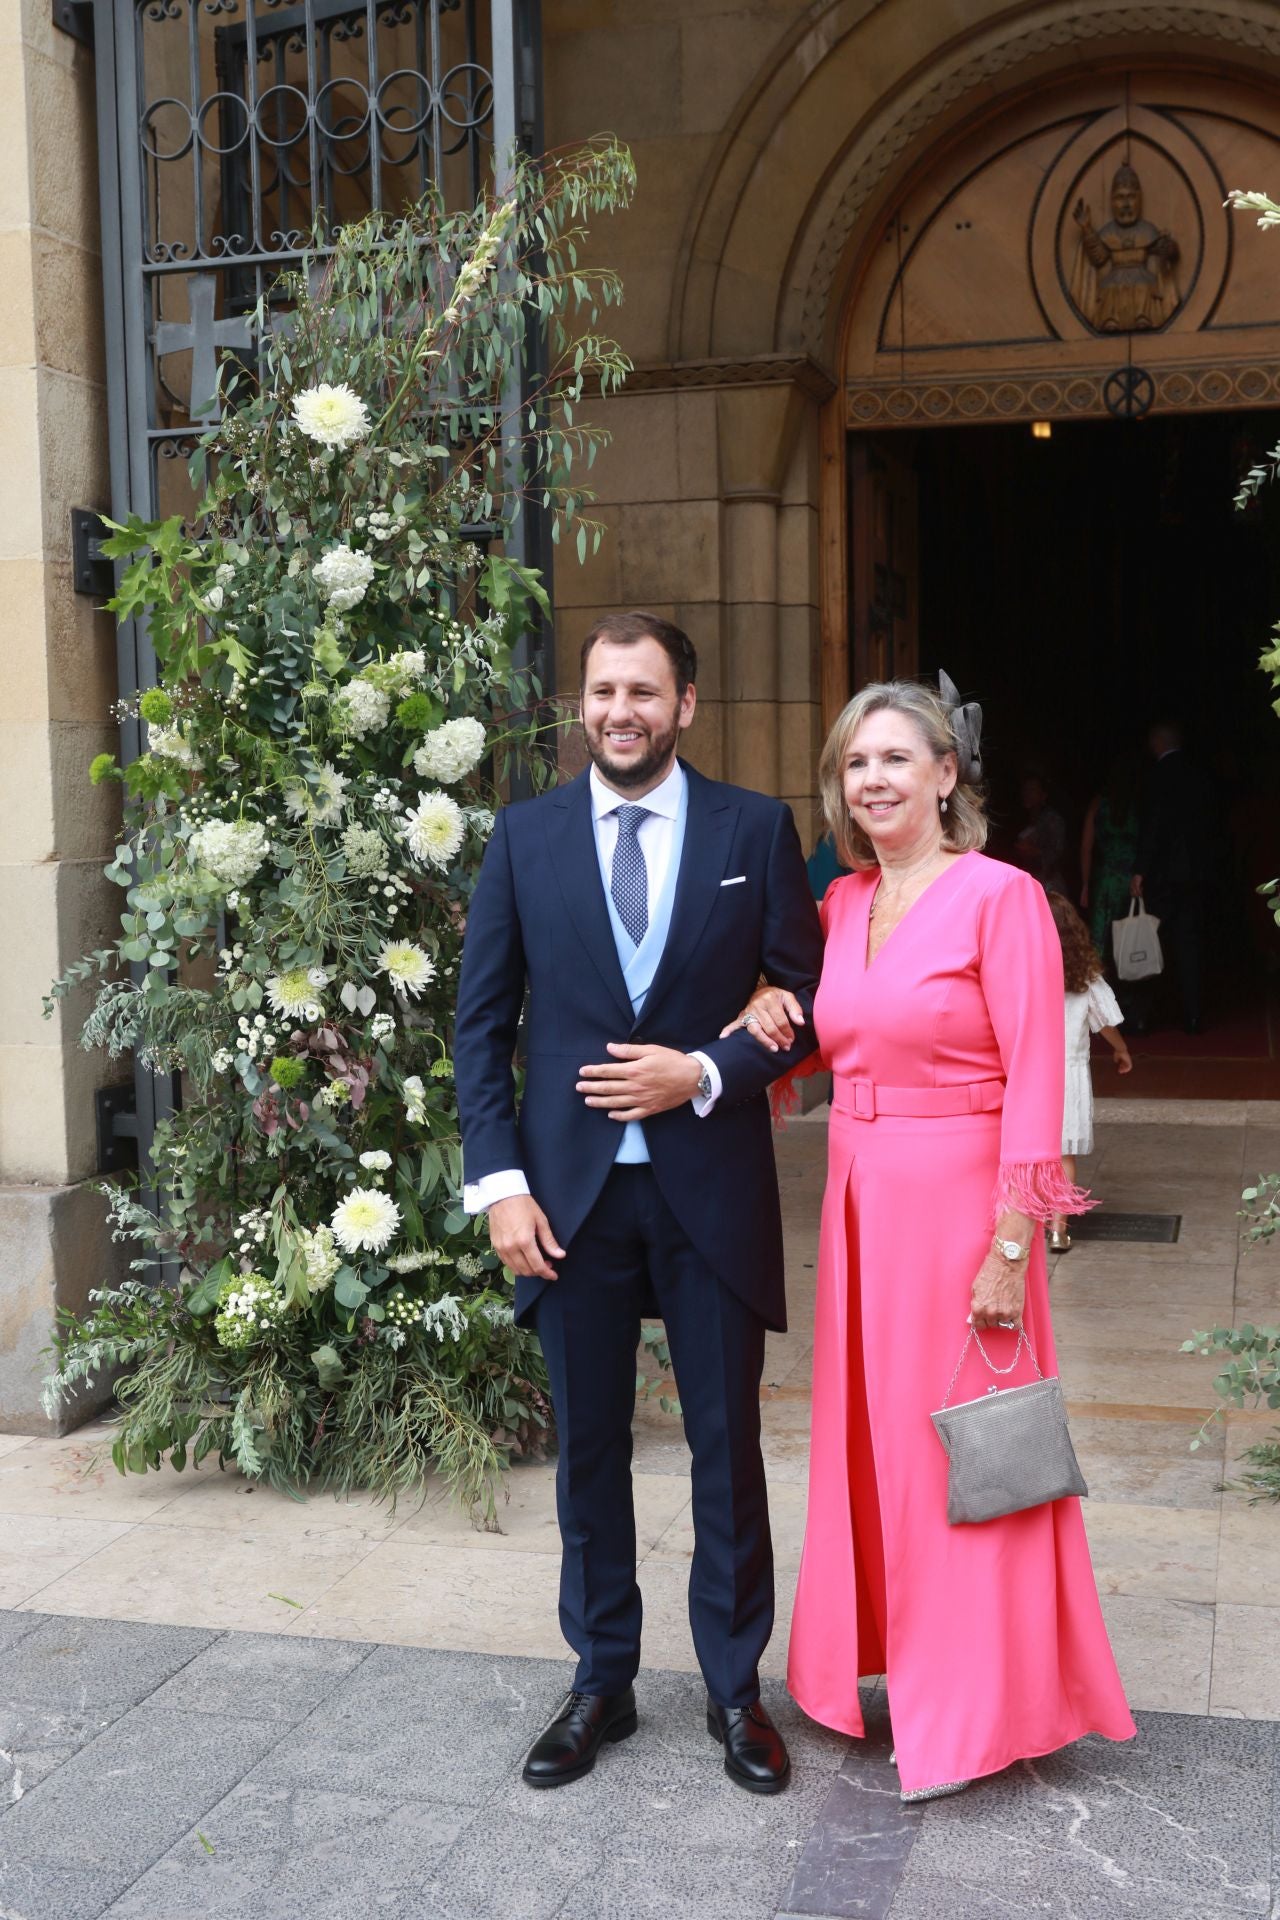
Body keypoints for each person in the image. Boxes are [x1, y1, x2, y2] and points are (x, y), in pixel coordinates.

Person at [727, 676, 1135, 1802]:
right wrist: (769, 1018)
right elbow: (827, 1038)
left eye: (896, 760)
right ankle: (889, 1667)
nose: (873, 781)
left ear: (946, 774)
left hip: (961, 1210)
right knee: (873, 1447)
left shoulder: (999, 897)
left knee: (959, 1449)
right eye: (855, 765)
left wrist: (1011, 1240)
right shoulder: (840, 908)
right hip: (859, 1205)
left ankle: (975, 1701)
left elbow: (1032, 1083)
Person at [453, 611, 823, 1795]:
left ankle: (732, 1689)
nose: (620, 711)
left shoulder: (752, 829)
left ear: (686, 705)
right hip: (564, 1203)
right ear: (582, 703)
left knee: (727, 1451)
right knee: (588, 1453)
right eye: (602, 690)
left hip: (707, 1189)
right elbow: (480, 1028)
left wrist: (706, 1069)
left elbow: (806, 994)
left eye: (644, 692)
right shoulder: (523, 837)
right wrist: (499, 1185)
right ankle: (600, 1680)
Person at [1044, 891, 1132, 1253]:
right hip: (1067, 1075)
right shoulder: (1083, 975)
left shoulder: (1018, 967)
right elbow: (1106, 1021)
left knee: (1024, 1151)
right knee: (1064, 1155)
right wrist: (1122, 1049)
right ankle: (1058, 1229)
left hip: (1023, 1073)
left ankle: (1025, 1221)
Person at [1131, 718, 1209, 1033]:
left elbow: (1154, 827)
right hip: (1195, 874)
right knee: (1189, 944)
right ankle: (1193, 1014)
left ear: (1158, 742)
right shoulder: (1199, 775)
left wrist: (1140, 870)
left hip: (1164, 876)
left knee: (1151, 940)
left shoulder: (1158, 776)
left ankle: (1145, 1016)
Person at [1079, 754, 1141, 960]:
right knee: (1130, 935)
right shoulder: (1138, 805)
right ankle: (1128, 981)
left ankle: (1100, 986)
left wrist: (1086, 884)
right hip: (1131, 880)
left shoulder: (1098, 804)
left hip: (1104, 879)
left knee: (1099, 938)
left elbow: (1086, 847)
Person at [1012, 771, 1068, 895]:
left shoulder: (1052, 820)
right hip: (1026, 881)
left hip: (1048, 885)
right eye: (1025, 789)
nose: (1027, 793)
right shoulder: (1020, 819)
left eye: (1032, 790)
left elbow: (1057, 854)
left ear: (1043, 795)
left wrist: (1032, 851)